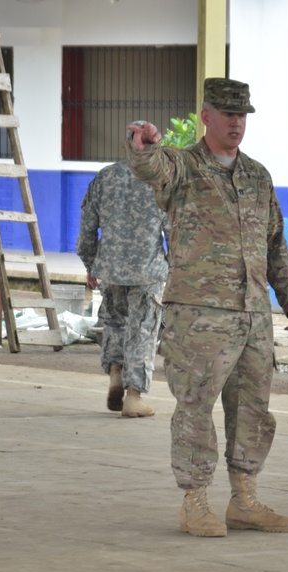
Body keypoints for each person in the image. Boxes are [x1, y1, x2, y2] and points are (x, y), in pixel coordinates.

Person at [126, 78, 288, 538]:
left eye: (242, 114)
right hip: (199, 316)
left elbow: (275, 243)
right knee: (195, 407)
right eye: (227, 114)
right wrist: (145, 147)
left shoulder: (257, 176)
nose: (236, 122)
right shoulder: (184, 167)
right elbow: (153, 169)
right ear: (205, 116)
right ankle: (195, 501)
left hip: (252, 314)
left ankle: (244, 499)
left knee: (253, 408)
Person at [75, 130, 169, 419]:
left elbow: (87, 223)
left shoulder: (106, 177)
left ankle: (116, 372)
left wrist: (91, 263)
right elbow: (176, 231)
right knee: (142, 330)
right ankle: (134, 396)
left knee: (115, 323)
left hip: (111, 268)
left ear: (126, 143)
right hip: (148, 270)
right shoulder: (162, 181)